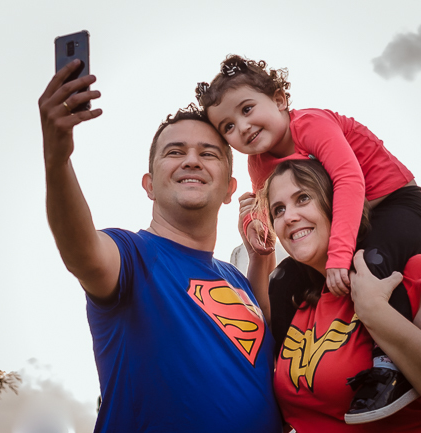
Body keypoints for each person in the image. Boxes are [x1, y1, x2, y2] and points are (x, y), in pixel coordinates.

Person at [39, 60, 281, 433]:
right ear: (149, 185)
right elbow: (82, 251)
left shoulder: (236, 279)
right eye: (175, 152)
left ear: (230, 189)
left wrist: (261, 260)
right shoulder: (132, 255)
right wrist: (58, 161)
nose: (191, 161)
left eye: (208, 153)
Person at [196, 54, 421, 422]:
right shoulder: (258, 162)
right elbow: (273, 209)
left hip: (396, 208)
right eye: (228, 126)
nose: (242, 127)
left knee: (370, 264)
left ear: (279, 100)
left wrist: (340, 255)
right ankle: (276, 378)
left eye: (247, 109)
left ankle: (389, 369)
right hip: (350, 227)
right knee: (282, 281)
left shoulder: (311, 124)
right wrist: (254, 224)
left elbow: (349, 180)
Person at [249, 158, 421, 432]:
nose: (289, 216)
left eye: (303, 198)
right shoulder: (297, 304)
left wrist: (376, 313)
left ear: (338, 204)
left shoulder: (411, 272)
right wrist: (259, 258)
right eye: (278, 210)